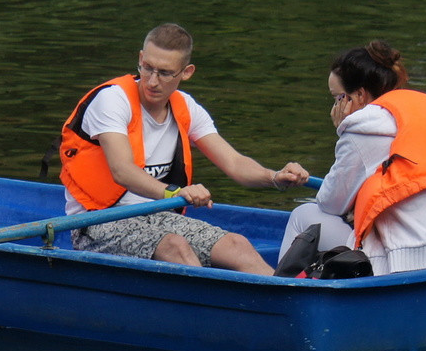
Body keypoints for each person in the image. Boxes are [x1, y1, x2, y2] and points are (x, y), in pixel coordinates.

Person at [59, 23, 309, 275]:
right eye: (147, 68)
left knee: (237, 245)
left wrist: (274, 177)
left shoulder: (186, 107)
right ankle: (212, 309)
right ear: (141, 58)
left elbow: (234, 163)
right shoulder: (112, 100)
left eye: (165, 73)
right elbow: (122, 171)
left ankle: (288, 304)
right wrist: (174, 193)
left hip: (156, 215)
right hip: (96, 222)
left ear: (186, 72)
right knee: (175, 246)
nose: (152, 81)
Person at [278, 40, 426, 275]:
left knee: (304, 216)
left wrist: (342, 131)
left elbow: (331, 203)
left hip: (408, 263)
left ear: (360, 94)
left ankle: (284, 295)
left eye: (337, 98)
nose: (335, 107)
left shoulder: (361, 126)